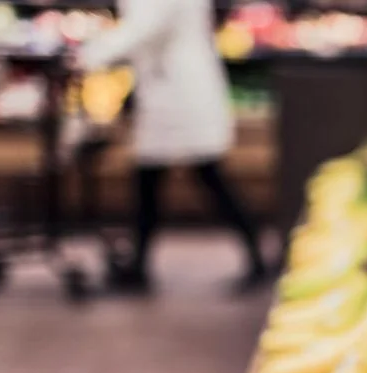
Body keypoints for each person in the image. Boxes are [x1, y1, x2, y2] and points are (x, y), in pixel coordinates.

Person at [76, 0, 267, 292]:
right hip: (165, 89)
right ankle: (139, 266)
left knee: (205, 177)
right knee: (150, 180)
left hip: (181, 92)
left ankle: (256, 256)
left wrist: (89, 55)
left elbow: (144, 29)